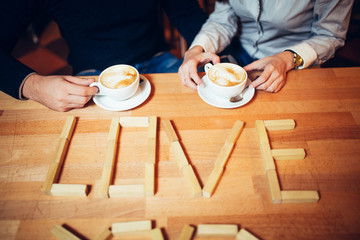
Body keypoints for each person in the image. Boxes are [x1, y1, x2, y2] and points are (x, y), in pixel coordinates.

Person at [1, 0, 207, 111]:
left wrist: (204, 50)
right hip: (92, 76)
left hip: (160, 61)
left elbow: (187, 14)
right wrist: (33, 85)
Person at [178, 0, 354, 92]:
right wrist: (195, 49)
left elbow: (330, 35)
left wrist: (287, 59)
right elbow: (222, 20)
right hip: (240, 54)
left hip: (295, 64)